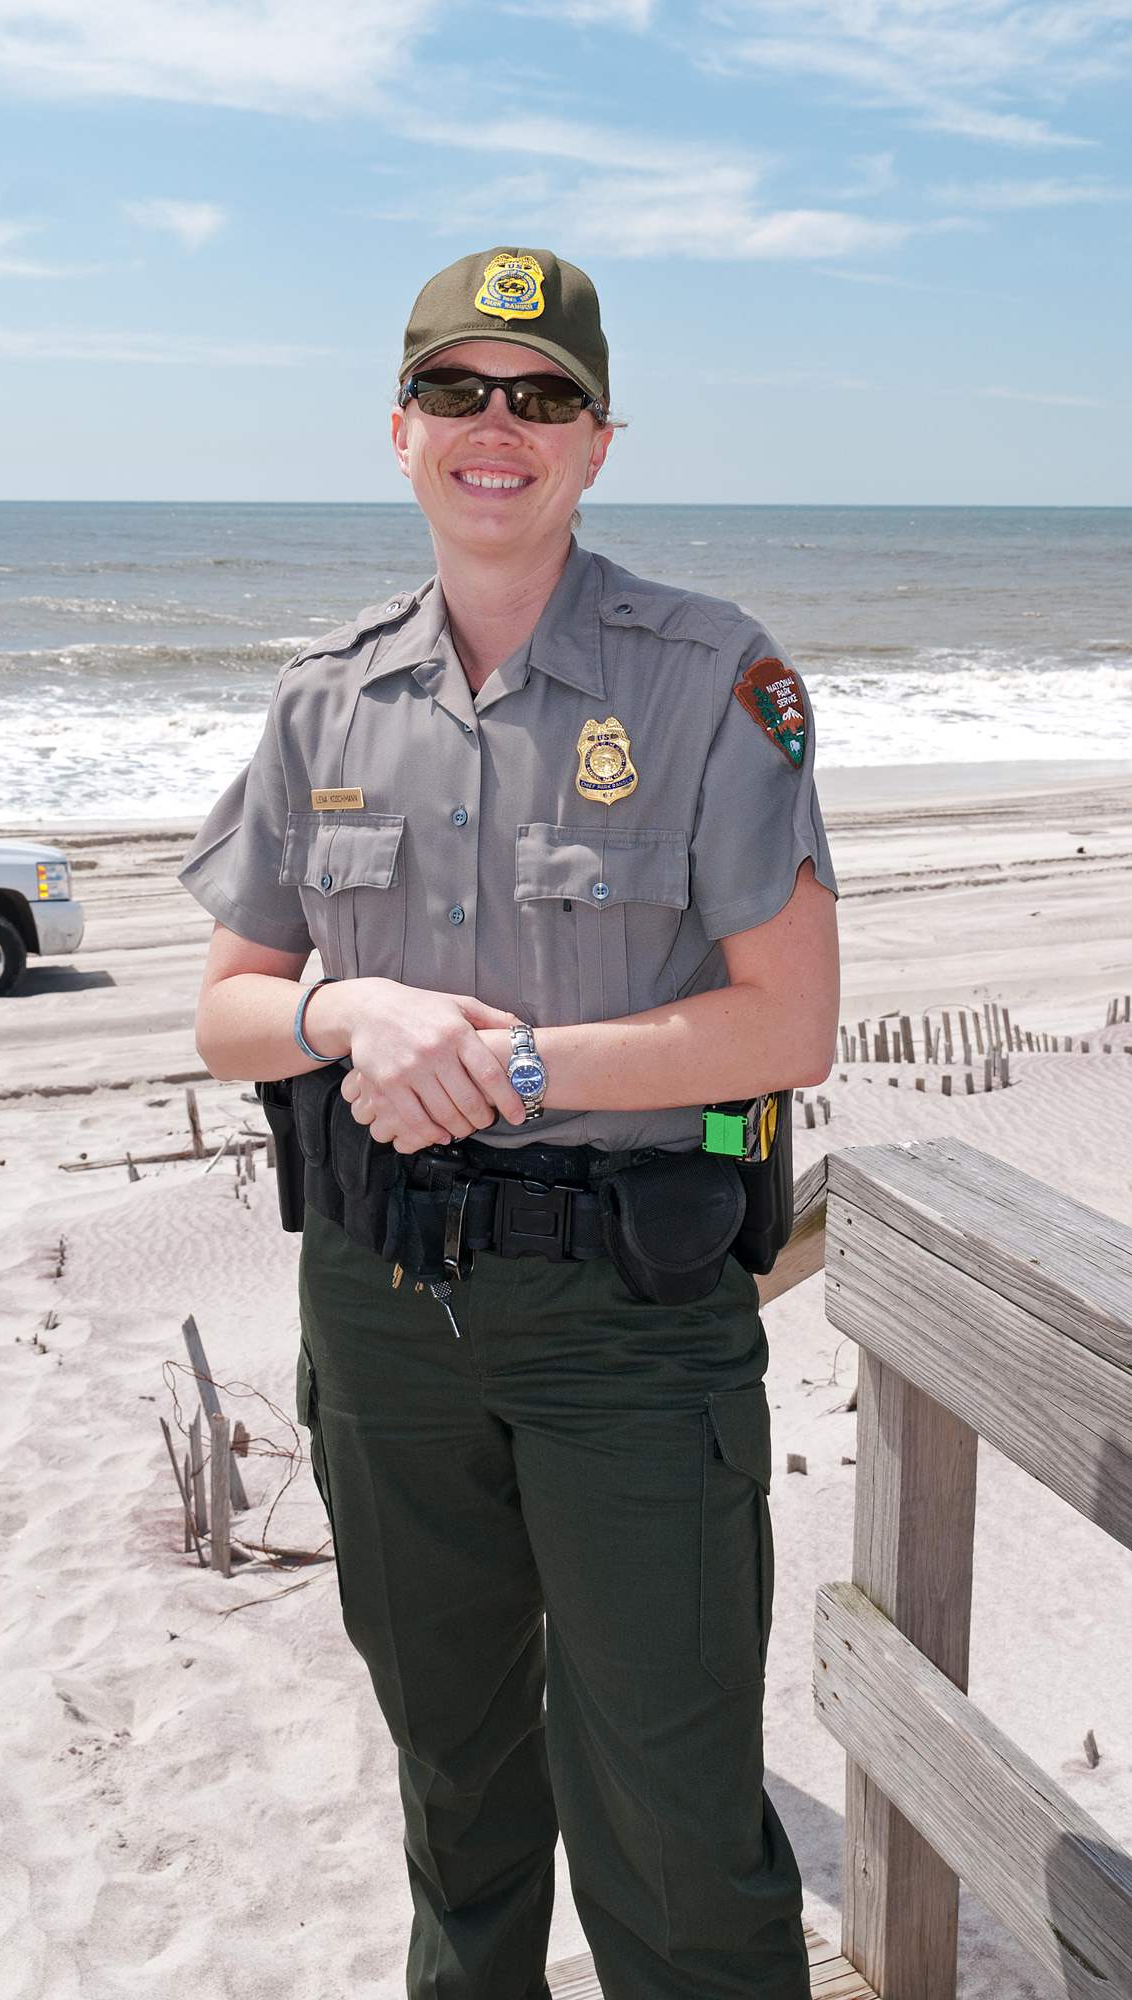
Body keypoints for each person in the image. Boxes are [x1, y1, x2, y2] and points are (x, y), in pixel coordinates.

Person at [179, 244, 840, 2000]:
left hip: (625, 1328)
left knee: (677, 1828)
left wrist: (520, 1065)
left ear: (596, 441)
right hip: (383, 1324)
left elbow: (788, 1021)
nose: (499, 427)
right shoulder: (322, 697)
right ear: (398, 430)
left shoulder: (709, 676)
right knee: (457, 1807)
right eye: (460, 392)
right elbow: (228, 1004)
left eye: (540, 397)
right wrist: (348, 1011)